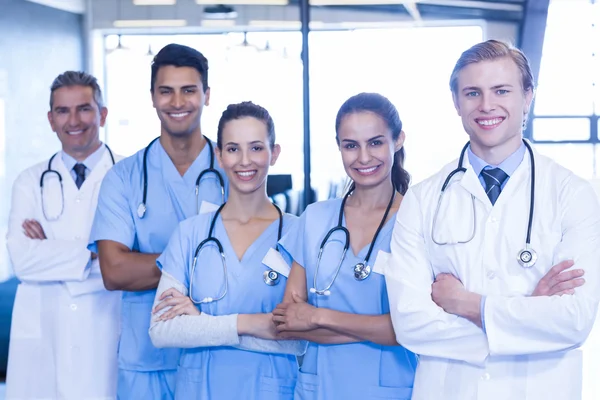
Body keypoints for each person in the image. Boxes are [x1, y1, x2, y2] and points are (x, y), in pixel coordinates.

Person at [385, 39, 600, 400]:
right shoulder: (423, 200)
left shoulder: (572, 194)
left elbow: (573, 321)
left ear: (528, 96)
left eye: (501, 90)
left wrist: (466, 304)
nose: (487, 106)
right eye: (472, 93)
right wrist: (527, 311)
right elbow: (410, 323)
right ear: (456, 102)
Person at [88, 43, 227, 400]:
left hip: (216, 355)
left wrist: (153, 263)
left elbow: (254, 259)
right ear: (152, 97)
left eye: (189, 90)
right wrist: (205, 262)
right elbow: (115, 271)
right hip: (145, 361)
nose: (177, 102)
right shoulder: (124, 177)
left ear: (206, 95)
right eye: (166, 91)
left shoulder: (233, 171)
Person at [148, 101, 304, 399]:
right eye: (233, 149)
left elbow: (298, 342)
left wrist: (202, 323)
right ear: (219, 156)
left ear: (275, 154)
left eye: (256, 148)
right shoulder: (191, 233)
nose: (245, 160)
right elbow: (162, 330)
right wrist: (251, 323)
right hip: (198, 390)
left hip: (270, 390)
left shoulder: (298, 234)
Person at [272, 92, 417, 399]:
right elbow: (289, 323)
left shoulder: (417, 221)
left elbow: (413, 328)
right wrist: (379, 329)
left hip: (392, 388)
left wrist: (318, 316)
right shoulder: (314, 219)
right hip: (319, 387)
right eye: (351, 145)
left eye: (375, 142)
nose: (363, 157)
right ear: (339, 147)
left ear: (398, 140)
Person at [5, 71, 121, 400]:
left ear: (102, 114)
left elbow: (133, 263)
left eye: (84, 109)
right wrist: (97, 254)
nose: (74, 120)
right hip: (45, 330)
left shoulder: (127, 176)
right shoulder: (29, 181)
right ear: (50, 119)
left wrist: (52, 251)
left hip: (107, 326)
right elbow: (24, 262)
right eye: (62, 111)